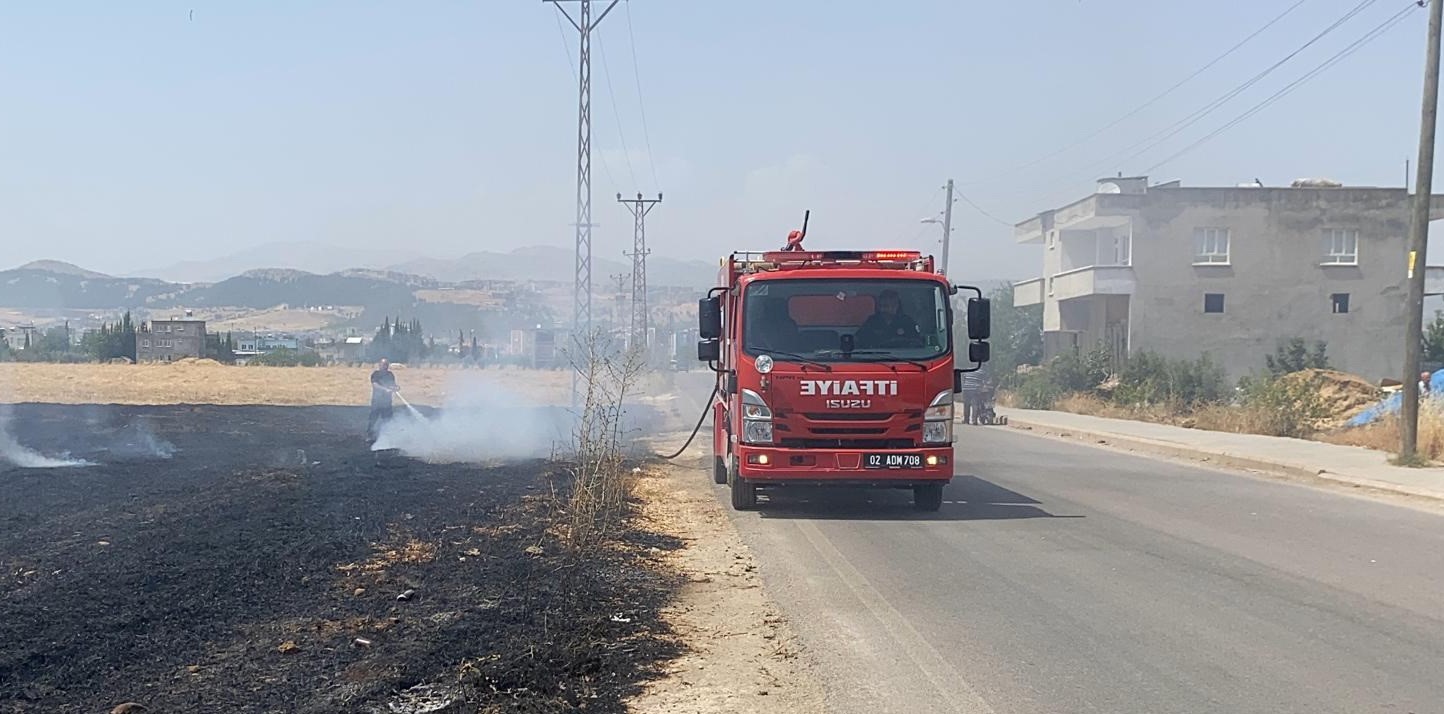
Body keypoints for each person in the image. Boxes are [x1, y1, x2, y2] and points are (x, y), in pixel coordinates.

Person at [855, 289, 921, 348]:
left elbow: (917, 343)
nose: (882, 309)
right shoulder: (872, 321)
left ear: (896, 305)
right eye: (880, 306)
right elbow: (859, 339)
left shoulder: (907, 322)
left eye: (886, 306)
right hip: (875, 357)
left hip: (905, 357)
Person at [368, 358, 399, 441]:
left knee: (388, 420)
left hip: (387, 402)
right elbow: (375, 385)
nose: (385, 366)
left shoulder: (390, 374)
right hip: (377, 401)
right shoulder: (375, 374)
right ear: (379, 365)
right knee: (373, 419)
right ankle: (370, 435)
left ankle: (387, 436)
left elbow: (393, 384)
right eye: (383, 364)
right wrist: (385, 389)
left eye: (386, 364)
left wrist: (396, 387)